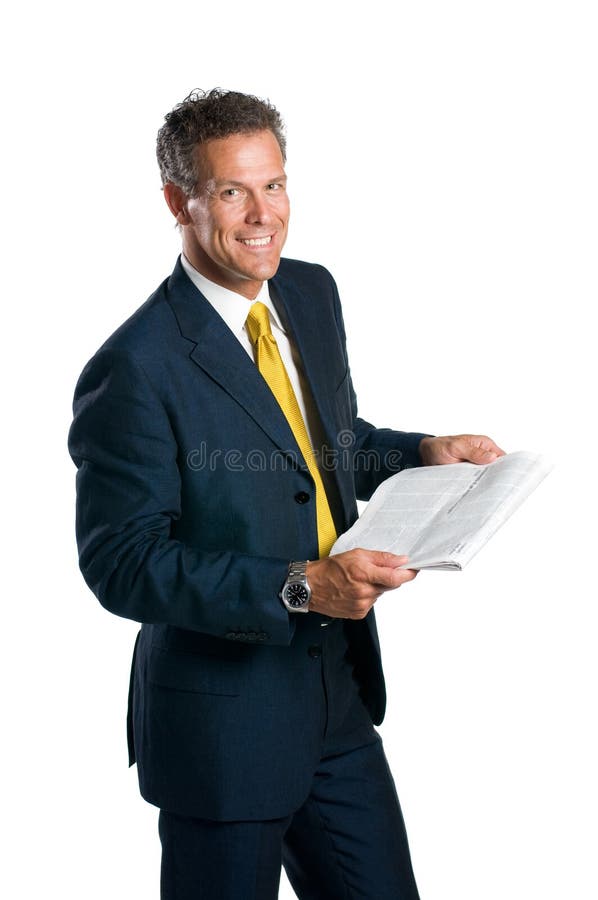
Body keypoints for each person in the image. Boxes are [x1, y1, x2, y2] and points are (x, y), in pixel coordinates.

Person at [68, 88, 504, 900]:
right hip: (220, 729)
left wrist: (422, 452)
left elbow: (321, 448)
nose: (262, 213)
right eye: (233, 190)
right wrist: (303, 585)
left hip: (336, 701)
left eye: (275, 184)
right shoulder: (136, 366)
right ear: (180, 202)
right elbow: (122, 563)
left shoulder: (309, 292)